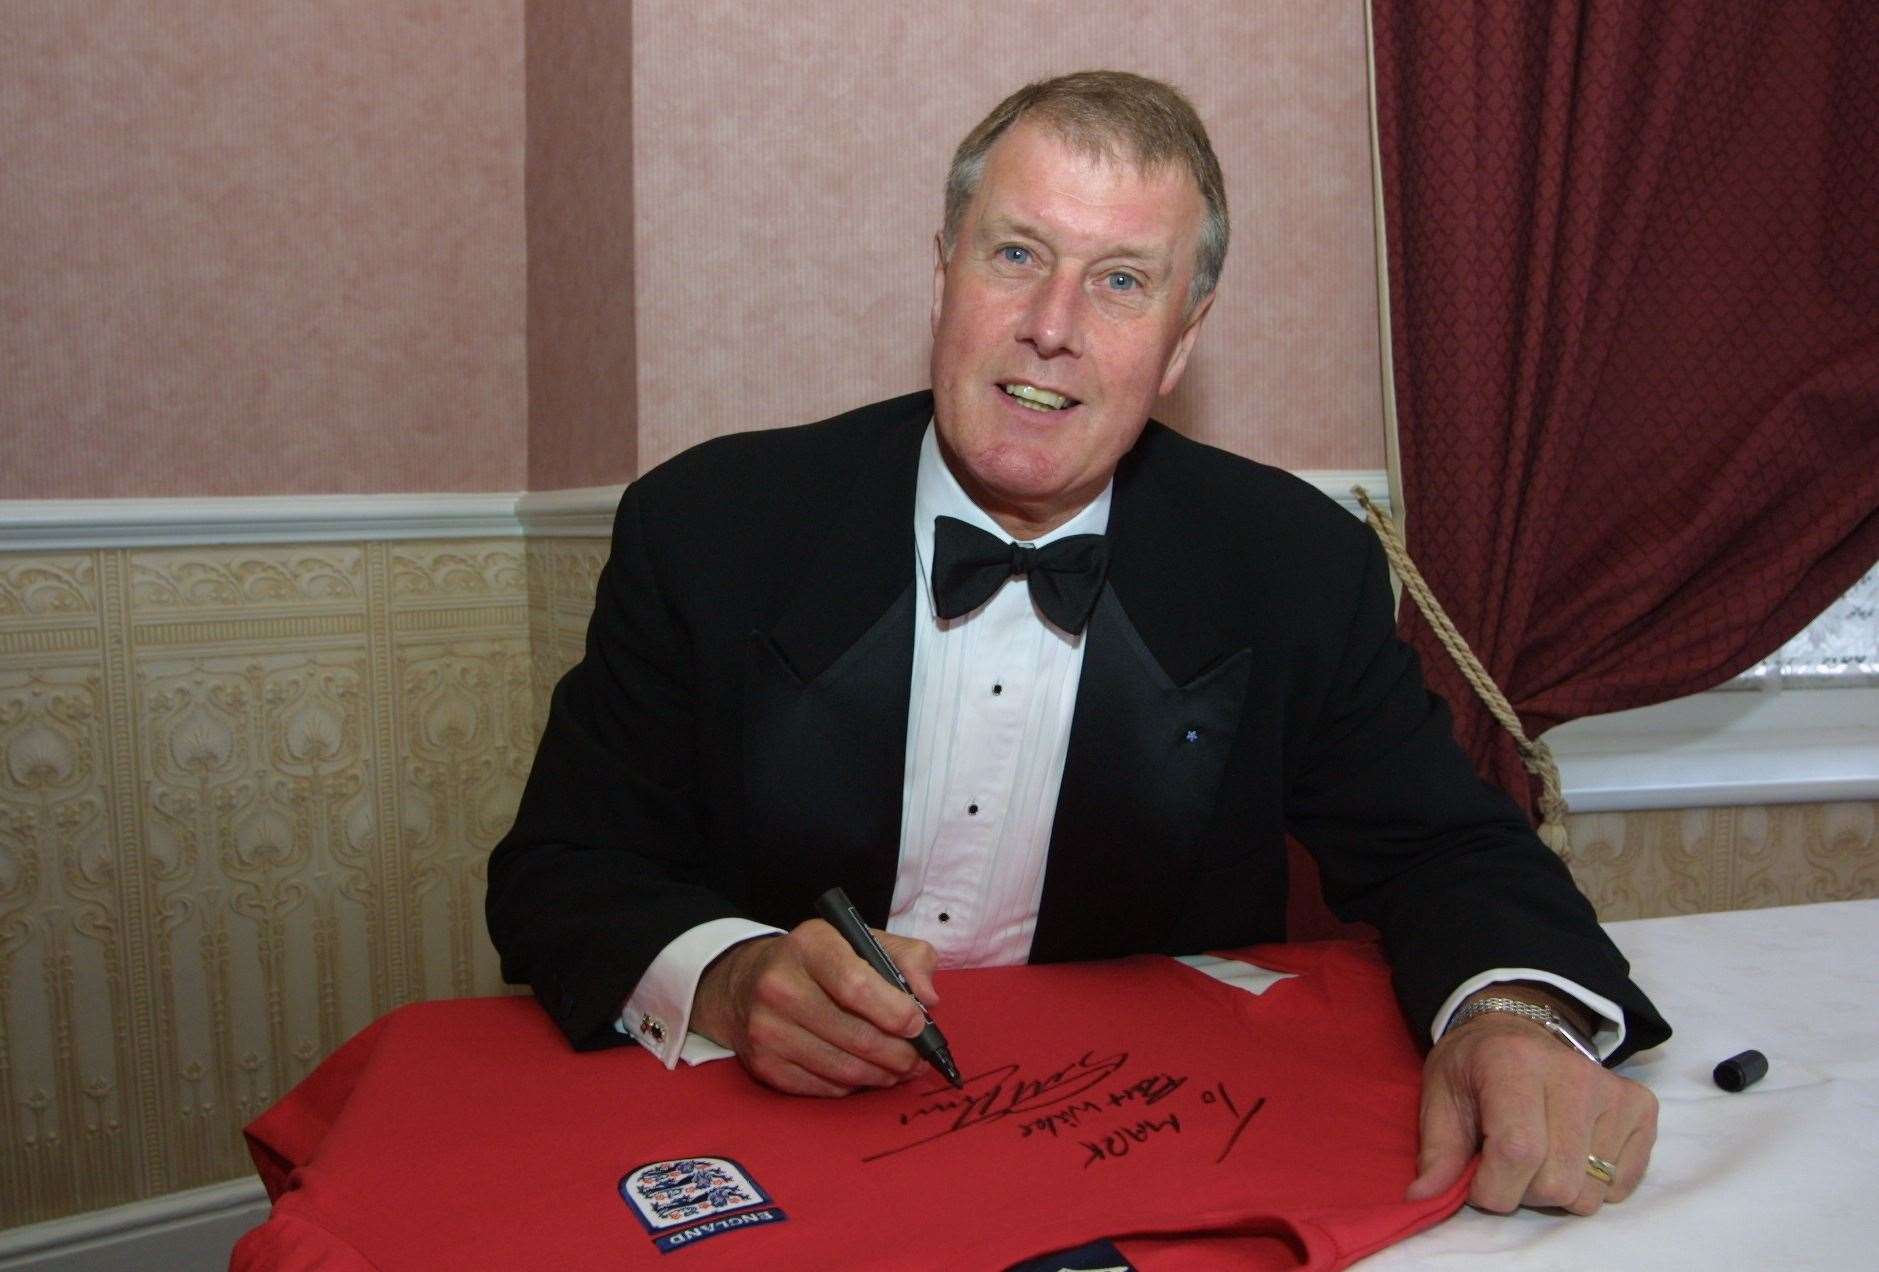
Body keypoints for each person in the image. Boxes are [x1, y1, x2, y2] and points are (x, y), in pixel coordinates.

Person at [488, 70, 1667, 1219]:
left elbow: (1448, 851)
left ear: (1182, 337)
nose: (1051, 327)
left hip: (1140, 1158)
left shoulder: (1294, 564)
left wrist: (1513, 1014)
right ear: (943, 270)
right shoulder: (711, 524)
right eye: (1015, 255)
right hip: (764, 1158)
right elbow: (562, 875)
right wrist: (737, 983)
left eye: (1119, 281)